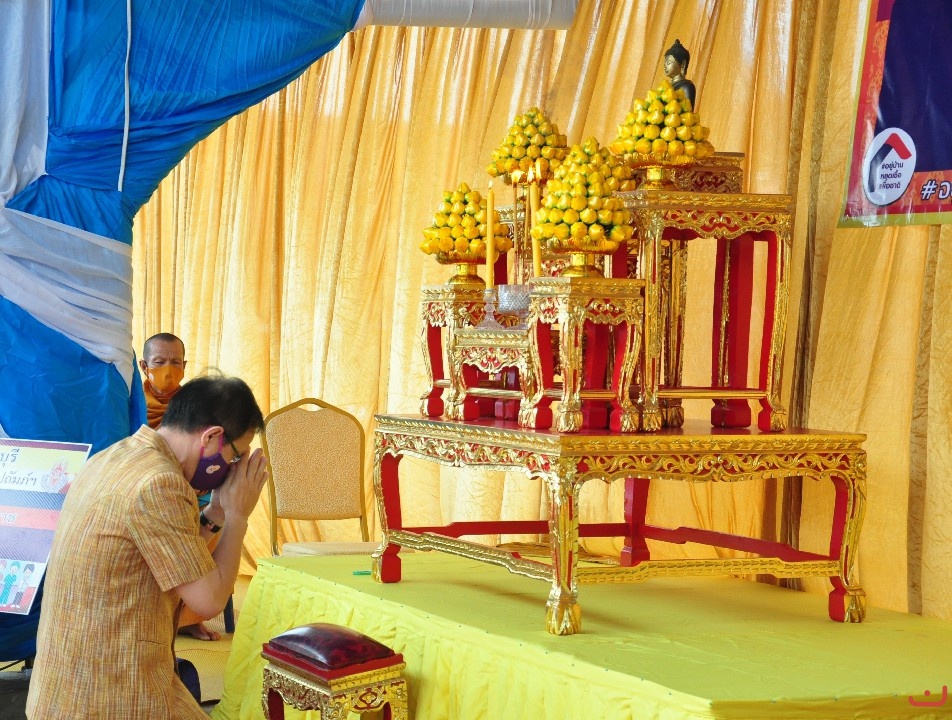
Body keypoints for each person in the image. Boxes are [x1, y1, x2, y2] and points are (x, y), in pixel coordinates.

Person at [26, 375, 269, 719]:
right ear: (212, 437)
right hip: (111, 696)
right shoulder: (160, 483)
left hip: (65, 690)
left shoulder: (113, 458)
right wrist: (239, 516)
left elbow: (175, 558)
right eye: (235, 457)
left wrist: (215, 515)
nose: (232, 471)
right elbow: (209, 599)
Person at [140, 332, 188, 430]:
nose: (168, 371)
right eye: (159, 362)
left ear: (183, 366)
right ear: (144, 367)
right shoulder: (131, 403)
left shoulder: (192, 404)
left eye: (176, 362)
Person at [664, 38, 696, 111]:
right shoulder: (666, 87)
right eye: (664, 63)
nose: (665, 67)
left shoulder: (687, 86)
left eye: (668, 63)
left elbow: (688, 113)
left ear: (683, 64)